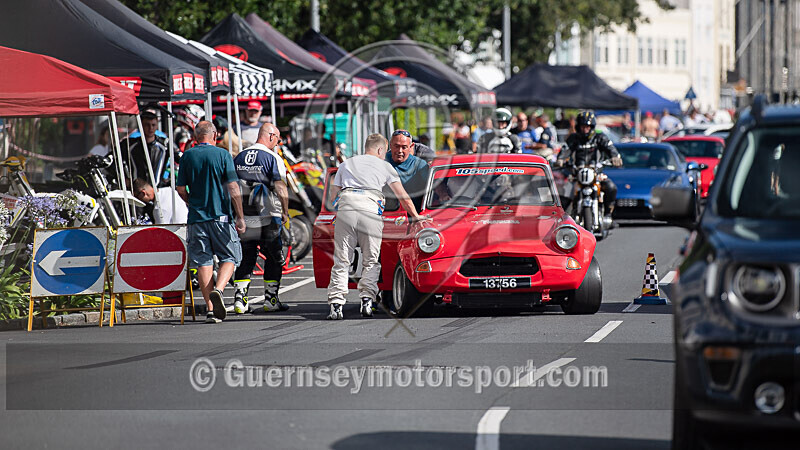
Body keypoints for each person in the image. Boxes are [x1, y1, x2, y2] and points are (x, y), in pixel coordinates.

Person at [327, 134, 426, 320]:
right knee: (371, 260)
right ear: (381, 150)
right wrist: (416, 216)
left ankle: (336, 304)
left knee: (342, 260)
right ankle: (367, 300)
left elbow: (334, 197)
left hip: (346, 209)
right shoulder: (385, 166)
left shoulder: (345, 164)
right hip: (370, 211)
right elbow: (403, 196)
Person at [176, 121, 246, 324]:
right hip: (221, 217)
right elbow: (233, 187)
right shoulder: (223, 155)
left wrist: (192, 203)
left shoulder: (187, 156)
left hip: (197, 219)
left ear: (196, 136)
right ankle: (219, 289)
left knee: (203, 262)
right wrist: (240, 215)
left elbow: (181, 189)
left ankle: (210, 310)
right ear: (214, 135)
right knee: (230, 256)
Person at [231, 123, 291, 315]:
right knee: (275, 258)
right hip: (268, 215)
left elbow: (232, 187)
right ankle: (271, 300)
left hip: (245, 217)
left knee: (247, 257)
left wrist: (237, 215)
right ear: (271, 136)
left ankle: (240, 300)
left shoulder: (239, 156)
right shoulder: (273, 157)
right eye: (278, 139)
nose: (278, 143)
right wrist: (286, 211)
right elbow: (280, 186)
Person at [555, 111, 622, 217]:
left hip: (596, 174)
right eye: (582, 126)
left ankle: (608, 213)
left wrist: (615, 157)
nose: (585, 129)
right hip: (577, 175)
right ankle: (562, 219)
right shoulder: (573, 138)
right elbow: (565, 150)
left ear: (592, 127)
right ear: (578, 127)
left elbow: (611, 148)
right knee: (562, 194)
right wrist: (560, 160)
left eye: (587, 126)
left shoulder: (600, 137)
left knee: (611, 187)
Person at [117, 108, 168, 188]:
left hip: (158, 189)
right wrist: (124, 177)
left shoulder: (165, 145)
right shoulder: (129, 144)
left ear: (157, 125)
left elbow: (180, 159)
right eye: (147, 125)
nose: (150, 128)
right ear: (141, 125)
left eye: (153, 125)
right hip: (137, 191)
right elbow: (115, 159)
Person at [385, 129, 430, 211]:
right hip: (389, 215)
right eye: (396, 146)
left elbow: (434, 189)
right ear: (390, 145)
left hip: (414, 216)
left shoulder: (420, 165)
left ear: (411, 147)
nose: (400, 151)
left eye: (404, 147)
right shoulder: (382, 162)